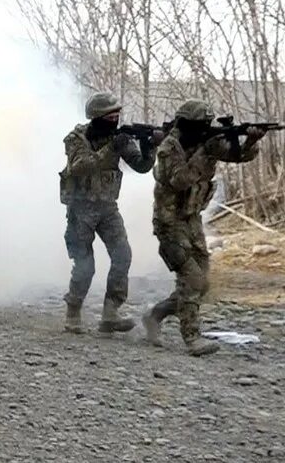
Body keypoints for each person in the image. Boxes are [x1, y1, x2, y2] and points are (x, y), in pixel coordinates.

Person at [143, 99, 267, 356]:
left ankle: (156, 314)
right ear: (187, 124)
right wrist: (205, 152)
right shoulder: (170, 147)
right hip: (169, 222)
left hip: (191, 219)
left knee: (202, 283)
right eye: (202, 125)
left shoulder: (204, 144)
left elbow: (238, 156)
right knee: (192, 278)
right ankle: (192, 337)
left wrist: (251, 141)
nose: (206, 129)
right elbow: (179, 180)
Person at [59, 92, 158, 335]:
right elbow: (80, 166)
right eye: (110, 116)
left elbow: (142, 166)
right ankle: (73, 312)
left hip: (107, 207)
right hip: (81, 208)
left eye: (117, 115)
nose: (115, 120)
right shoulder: (76, 138)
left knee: (122, 255)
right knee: (85, 265)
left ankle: (110, 313)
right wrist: (111, 147)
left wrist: (149, 146)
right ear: (97, 117)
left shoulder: (118, 138)